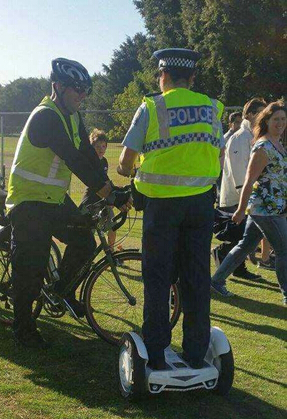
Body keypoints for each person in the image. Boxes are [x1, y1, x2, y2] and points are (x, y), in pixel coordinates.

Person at [6, 57, 131, 349]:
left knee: (85, 242)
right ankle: (22, 329)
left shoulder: (73, 116)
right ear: (58, 86)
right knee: (31, 267)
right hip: (28, 200)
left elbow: (88, 154)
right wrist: (107, 193)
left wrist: (113, 187)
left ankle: (60, 291)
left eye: (85, 90)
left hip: (52, 199)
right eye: (77, 89)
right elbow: (72, 159)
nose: (82, 95)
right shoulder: (45, 116)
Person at [118, 48, 224, 370]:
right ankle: (195, 352)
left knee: (157, 278)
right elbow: (217, 156)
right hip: (201, 204)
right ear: (192, 78)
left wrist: (137, 173)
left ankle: (156, 354)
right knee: (196, 277)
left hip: (161, 207)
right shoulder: (211, 108)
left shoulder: (152, 106)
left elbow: (124, 163)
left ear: (163, 76)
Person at [211, 101, 287, 304]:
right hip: (265, 209)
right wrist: (241, 209)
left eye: (283, 119)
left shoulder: (278, 143)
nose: (280, 123)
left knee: (245, 246)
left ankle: (216, 281)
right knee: (283, 250)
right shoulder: (263, 146)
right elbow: (249, 181)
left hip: (275, 208)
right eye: (275, 119)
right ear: (266, 121)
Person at [213, 98, 267, 282]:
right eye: (261, 112)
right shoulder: (238, 138)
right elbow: (238, 172)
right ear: (250, 114)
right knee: (239, 237)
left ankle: (238, 268)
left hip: (247, 196)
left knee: (244, 237)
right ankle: (221, 254)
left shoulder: (252, 136)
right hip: (237, 197)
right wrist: (245, 199)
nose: (264, 116)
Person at [80, 129, 118, 250]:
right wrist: (110, 195)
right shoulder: (89, 162)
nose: (101, 149)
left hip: (104, 201)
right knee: (87, 233)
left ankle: (111, 252)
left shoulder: (104, 161)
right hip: (92, 201)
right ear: (91, 148)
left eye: (103, 146)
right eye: (97, 146)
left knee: (113, 226)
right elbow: (95, 185)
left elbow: (105, 180)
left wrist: (115, 191)